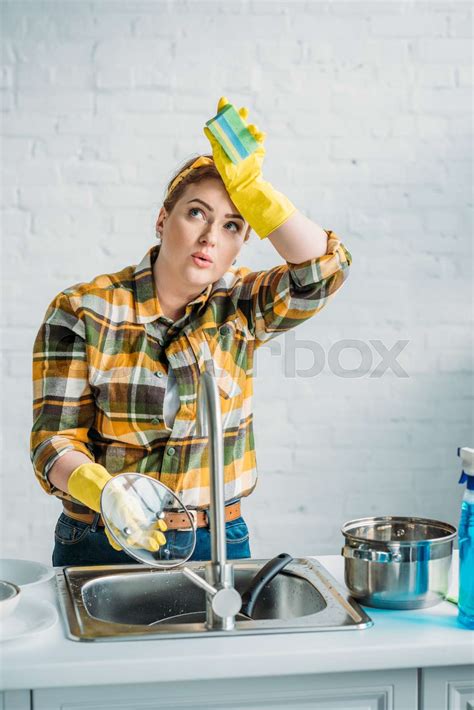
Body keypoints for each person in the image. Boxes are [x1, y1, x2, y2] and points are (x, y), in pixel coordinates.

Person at [31, 97, 352, 567]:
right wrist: (105, 491)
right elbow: (53, 441)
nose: (210, 237)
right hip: (103, 539)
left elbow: (324, 271)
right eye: (197, 213)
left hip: (217, 540)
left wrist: (254, 189)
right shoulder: (82, 310)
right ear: (163, 220)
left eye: (232, 225)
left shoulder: (242, 306)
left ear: (241, 245)